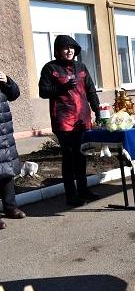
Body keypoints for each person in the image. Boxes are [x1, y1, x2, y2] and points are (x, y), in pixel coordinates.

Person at [39, 35, 101, 207]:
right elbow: (43, 91)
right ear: (58, 51)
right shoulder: (50, 68)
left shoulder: (81, 67)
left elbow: (91, 91)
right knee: (69, 158)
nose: (69, 51)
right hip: (63, 121)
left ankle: (83, 190)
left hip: (82, 119)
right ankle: (71, 196)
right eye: (65, 48)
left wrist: (97, 110)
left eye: (72, 48)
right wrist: (62, 87)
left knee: (81, 156)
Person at [0, 71, 26, 228]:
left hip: (4, 131)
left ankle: (10, 207)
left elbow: (14, 94)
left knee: (7, 170)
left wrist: (7, 80)